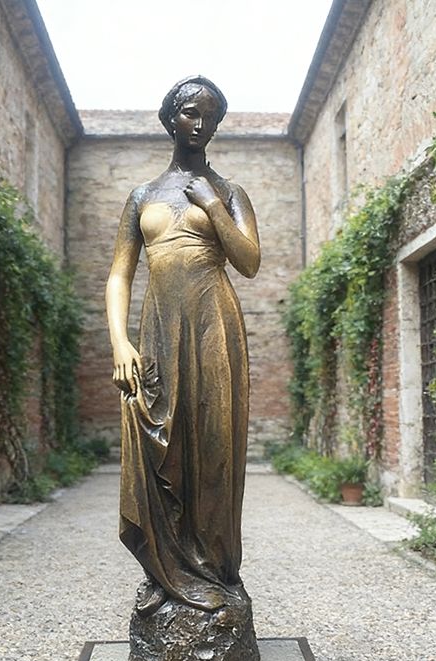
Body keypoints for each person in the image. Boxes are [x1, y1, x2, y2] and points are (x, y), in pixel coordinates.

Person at [106, 75, 260, 619]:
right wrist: (119, 342)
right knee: (160, 447)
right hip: (158, 330)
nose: (201, 124)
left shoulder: (230, 192)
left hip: (214, 325)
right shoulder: (142, 196)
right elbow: (120, 274)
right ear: (171, 117)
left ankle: (216, 570)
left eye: (211, 116)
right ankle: (164, 570)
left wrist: (214, 207)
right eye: (192, 112)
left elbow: (249, 261)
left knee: (214, 445)